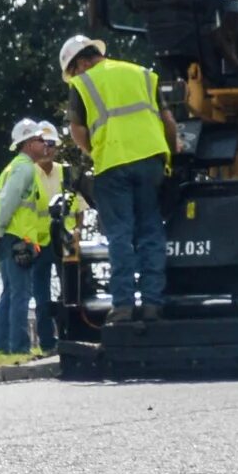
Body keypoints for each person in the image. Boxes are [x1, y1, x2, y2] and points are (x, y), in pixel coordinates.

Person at [61, 34, 171, 326]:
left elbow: (77, 131)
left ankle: (123, 307)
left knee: (120, 235)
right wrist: (169, 154)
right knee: (151, 234)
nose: (74, 76)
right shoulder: (144, 75)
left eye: (73, 70)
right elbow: (168, 122)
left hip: (112, 164)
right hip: (151, 161)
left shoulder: (82, 84)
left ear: (82, 62)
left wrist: (96, 151)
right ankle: (152, 306)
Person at [0, 118, 61, 355]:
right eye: (40, 140)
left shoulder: (17, 165)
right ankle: (18, 347)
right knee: (21, 293)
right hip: (15, 236)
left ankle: (0, 346)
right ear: (27, 143)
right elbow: (9, 200)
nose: (45, 144)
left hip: (11, 235)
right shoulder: (25, 168)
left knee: (10, 292)